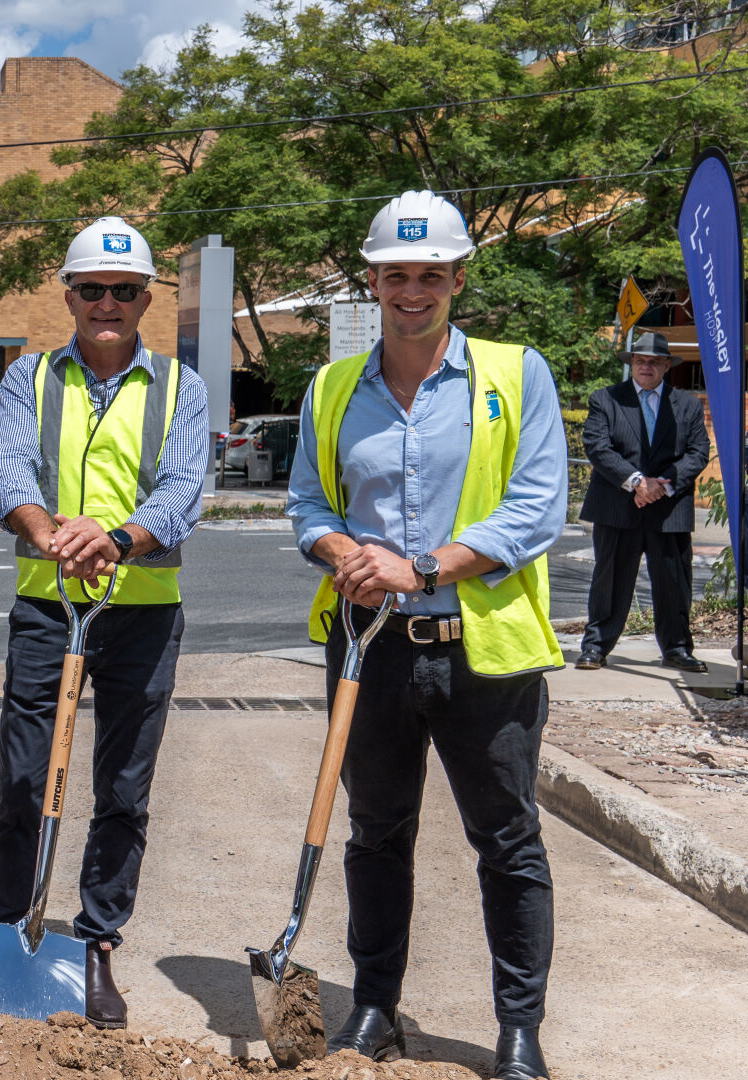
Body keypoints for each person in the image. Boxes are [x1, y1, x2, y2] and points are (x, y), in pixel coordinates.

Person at [286, 190, 566, 1080]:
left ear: (457, 279)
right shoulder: (333, 386)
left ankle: (518, 1030)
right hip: (371, 649)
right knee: (375, 833)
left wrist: (426, 566)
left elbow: (535, 508)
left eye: (431, 274)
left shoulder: (517, 375)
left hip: (483, 651)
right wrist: (342, 549)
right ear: (371, 280)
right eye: (397, 274)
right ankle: (375, 1007)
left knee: (508, 840)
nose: (414, 290)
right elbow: (307, 505)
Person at [0, 217, 208, 1029]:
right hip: (48, 606)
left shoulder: (182, 386)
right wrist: (51, 536)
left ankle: (95, 944)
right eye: (91, 289)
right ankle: (6, 937)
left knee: (122, 790)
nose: (106, 303)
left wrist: (112, 540)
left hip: (143, 613)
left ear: (145, 298)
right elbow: (8, 472)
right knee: (22, 778)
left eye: (123, 290)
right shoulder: (29, 378)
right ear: (68, 295)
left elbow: (182, 491)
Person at [577, 331, 712, 672]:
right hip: (617, 507)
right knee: (609, 580)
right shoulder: (605, 399)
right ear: (631, 364)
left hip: (669, 510)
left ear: (667, 366)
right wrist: (638, 483)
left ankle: (677, 649)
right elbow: (598, 447)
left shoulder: (689, 405)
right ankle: (595, 647)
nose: (646, 367)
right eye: (640, 361)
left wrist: (661, 487)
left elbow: (699, 453)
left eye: (654, 361)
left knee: (673, 583)